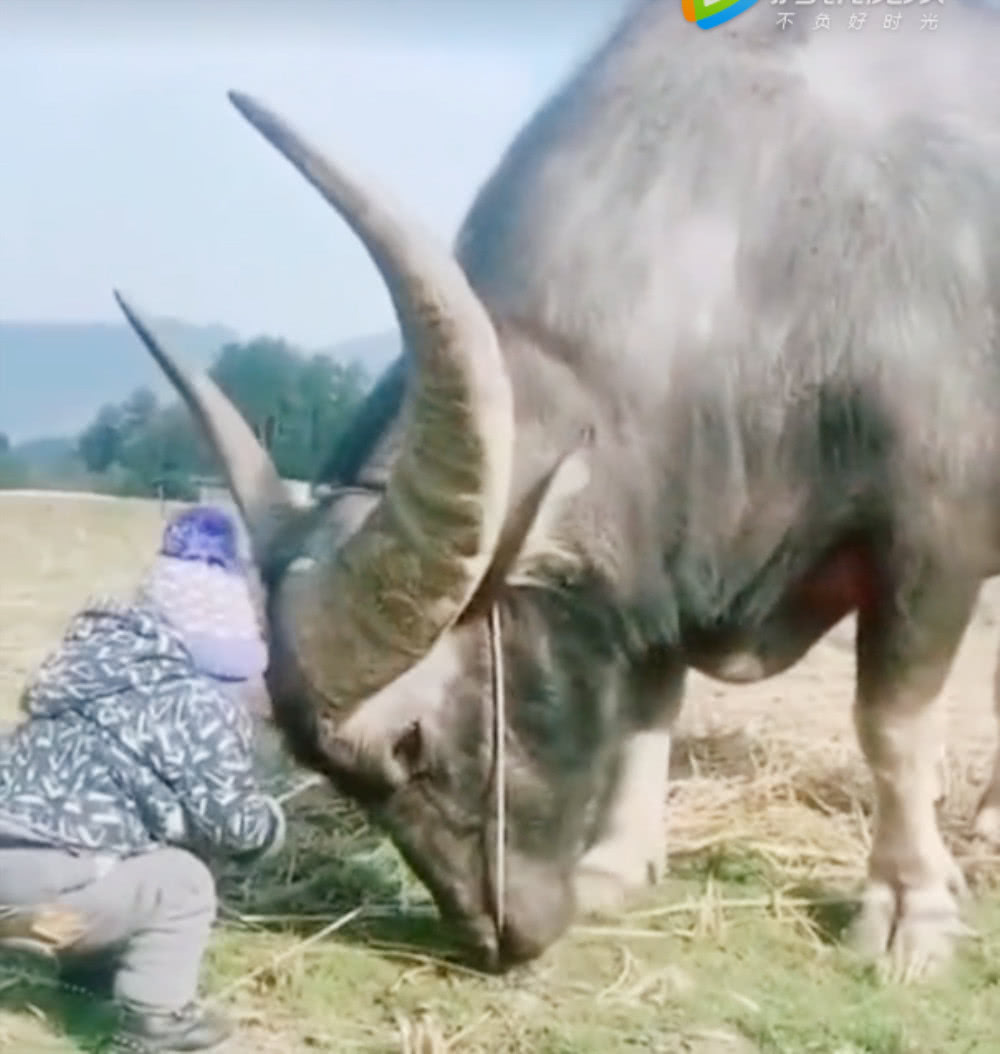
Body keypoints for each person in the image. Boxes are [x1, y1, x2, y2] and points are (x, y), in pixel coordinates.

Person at [0, 505, 287, 1053]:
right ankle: (155, 1021)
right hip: (52, 890)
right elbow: (231, 824)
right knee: (181, 882)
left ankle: (80, 970)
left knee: (118, 844)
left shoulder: (80, 669)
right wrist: (270, 824)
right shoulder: (195, 704)